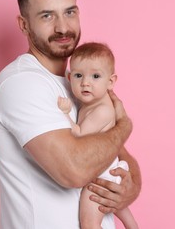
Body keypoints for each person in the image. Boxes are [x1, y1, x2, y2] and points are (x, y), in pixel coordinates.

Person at [0, 0, 141, 229]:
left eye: (69, 12)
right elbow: (75, 170)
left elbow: (116, 152)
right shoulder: (21, 83)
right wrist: (123, 126)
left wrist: (130, 185)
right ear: (23, 25)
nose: (62, 27)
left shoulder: (80, 83)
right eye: (47, 16)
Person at [57, 42, 139, 229]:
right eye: (78, 76)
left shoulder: (102, 111)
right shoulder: (93, 103)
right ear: (69, 78)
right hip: (109, 171)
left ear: (110, 82)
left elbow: (78, 134)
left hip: (101, 177)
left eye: (95, 76)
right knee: (118, 207)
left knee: (89, 224)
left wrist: (64, 113)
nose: (85, 83)